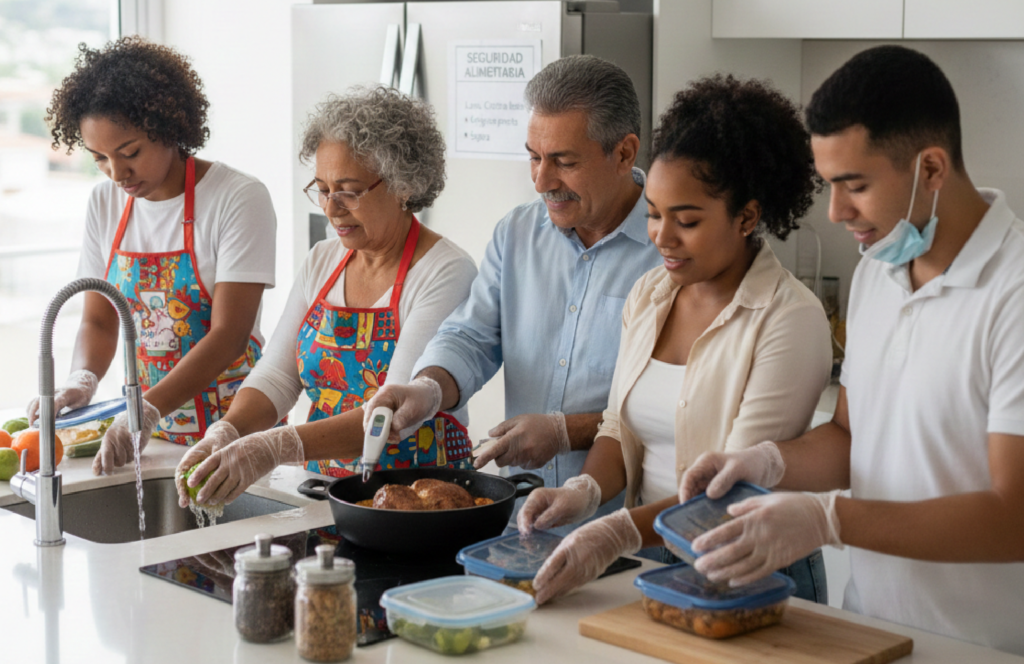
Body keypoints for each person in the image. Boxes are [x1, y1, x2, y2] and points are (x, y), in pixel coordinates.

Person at [680, 46, 1024, 655]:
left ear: (932, 168)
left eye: (855, 185)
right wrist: (768, 464)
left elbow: (1013, 516)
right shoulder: (877, 272)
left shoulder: (1013, 292)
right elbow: (849, 434)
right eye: (830, 185)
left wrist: (829, 520)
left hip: (985, 647)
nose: (838, 212)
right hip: (869, 633)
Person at [518, 75, 833, 605]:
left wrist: (618, 531)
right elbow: (619, 424)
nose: (662, 237)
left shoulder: (788, 318)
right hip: (654, 560)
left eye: (686, 221)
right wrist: (583, 492)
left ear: (747, 217)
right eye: (654, 214)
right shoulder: (650, 294)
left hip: (748, 567)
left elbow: (732, 489)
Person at [363, 55, 663, 530]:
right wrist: (429, 388)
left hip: (630, 528)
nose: (542, 181)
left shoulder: (672, 249)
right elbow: (471, 336)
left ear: (624, 153)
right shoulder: (518, 232)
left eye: (564, 162)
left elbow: (679, 403)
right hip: (524, 523)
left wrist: (567, 433)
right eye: (534, 157)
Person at [175, 87, 477, 507]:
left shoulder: (446, 271)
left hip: (422, 505)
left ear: (403, 186)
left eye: (348, 191)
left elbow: (393, 413)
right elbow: (277, 377)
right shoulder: (322, 260)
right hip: (324, 495)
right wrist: (228, 431)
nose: (331, 208)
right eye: (322, 189)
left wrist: (274, 447)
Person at [32, 37, 277, 475]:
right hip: (154, 441)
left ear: (169, 127)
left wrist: (145, 409)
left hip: (233, 435)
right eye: (99, 158)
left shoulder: (237, 197)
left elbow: (229, 334)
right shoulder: (105, 203)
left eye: (130, 153)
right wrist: (81, 379)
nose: (117, 173)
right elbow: (99, 321)